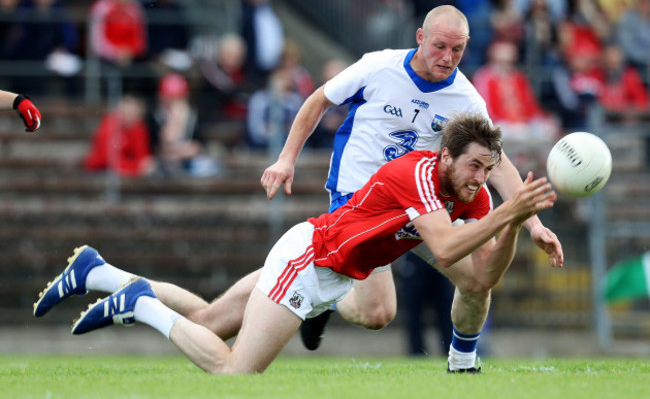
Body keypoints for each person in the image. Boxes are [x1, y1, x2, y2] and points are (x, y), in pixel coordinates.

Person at [34, 113, 557, 375]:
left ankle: (98, 273)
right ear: (445, 157)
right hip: (309, 257)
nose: (480, 178)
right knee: (234, 372)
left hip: (332, 273)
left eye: (489, 171)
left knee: (211, 322)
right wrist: (513, 209)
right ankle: (141, 305)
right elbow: (444, 251)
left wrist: (515, 223)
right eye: (473, 166)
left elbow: (484, 277)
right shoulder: (417, 174)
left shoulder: (474, 197)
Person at [258, 5, 563, 371]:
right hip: (360, 197)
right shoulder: (378, 66)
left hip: (423, 204)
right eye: (439, 47)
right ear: (420, 37)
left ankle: (463, 362)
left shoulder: (466, 100)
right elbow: (319, 100)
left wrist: (534, 225)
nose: (447, 58)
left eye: (457, 50)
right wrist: (286, 159)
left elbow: (495, 162)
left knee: (479, 279)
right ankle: (323, 302)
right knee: (378, 313)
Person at [83, 93, 153, 177]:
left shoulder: (139, 128)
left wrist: (136, 168)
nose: (129, 117)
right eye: (126, 113)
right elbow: (107, 159)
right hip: (101, 170)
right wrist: (135, 169)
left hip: (124, 172)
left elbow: (142, 157)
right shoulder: (110, 125)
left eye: (133, 114)